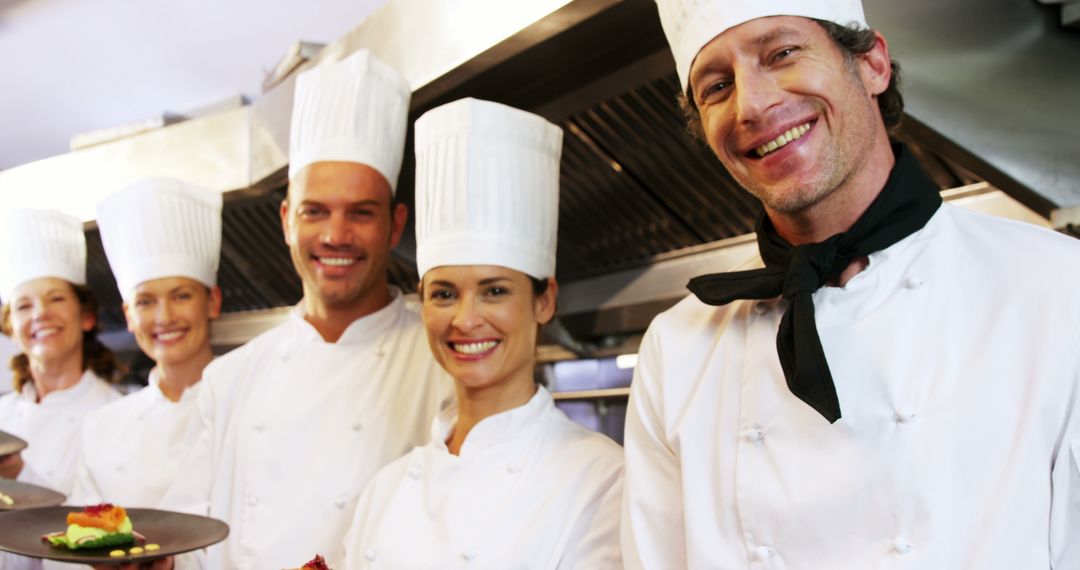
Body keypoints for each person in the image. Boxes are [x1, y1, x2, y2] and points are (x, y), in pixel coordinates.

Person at [622, 1, 1080, 568]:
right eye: (717, 86)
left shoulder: (1058, 287)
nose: (753, 104)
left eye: (782, 53)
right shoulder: (676, 346)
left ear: (872, 64)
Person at [161, 49, 453, 570]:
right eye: (314, 211)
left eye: (361, 213)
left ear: (395, 224)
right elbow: (187, 548)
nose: (335, 235)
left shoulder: (444, 368)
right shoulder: (229, 382)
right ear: (286, 221)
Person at [343, 97, 623, 569]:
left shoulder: (600, 478)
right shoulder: (385, 490)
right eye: (445, 294)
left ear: (544, 300)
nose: (466, 320)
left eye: (494, 291)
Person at [70, 178, 222, 508]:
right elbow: (74, 546)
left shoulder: (247, 408)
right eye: (145, 302)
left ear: (212, 301)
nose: (164, 317)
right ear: (128, 315)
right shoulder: (101, 428)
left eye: (181, 296)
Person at [0, 209, 121, 570]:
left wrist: (20, 473)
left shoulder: (113, 415)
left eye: (55, 299)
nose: (40, 314)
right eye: (24, 305)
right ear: (11, 326)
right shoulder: (2, 414)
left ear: (86, 316)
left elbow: (103, 532)